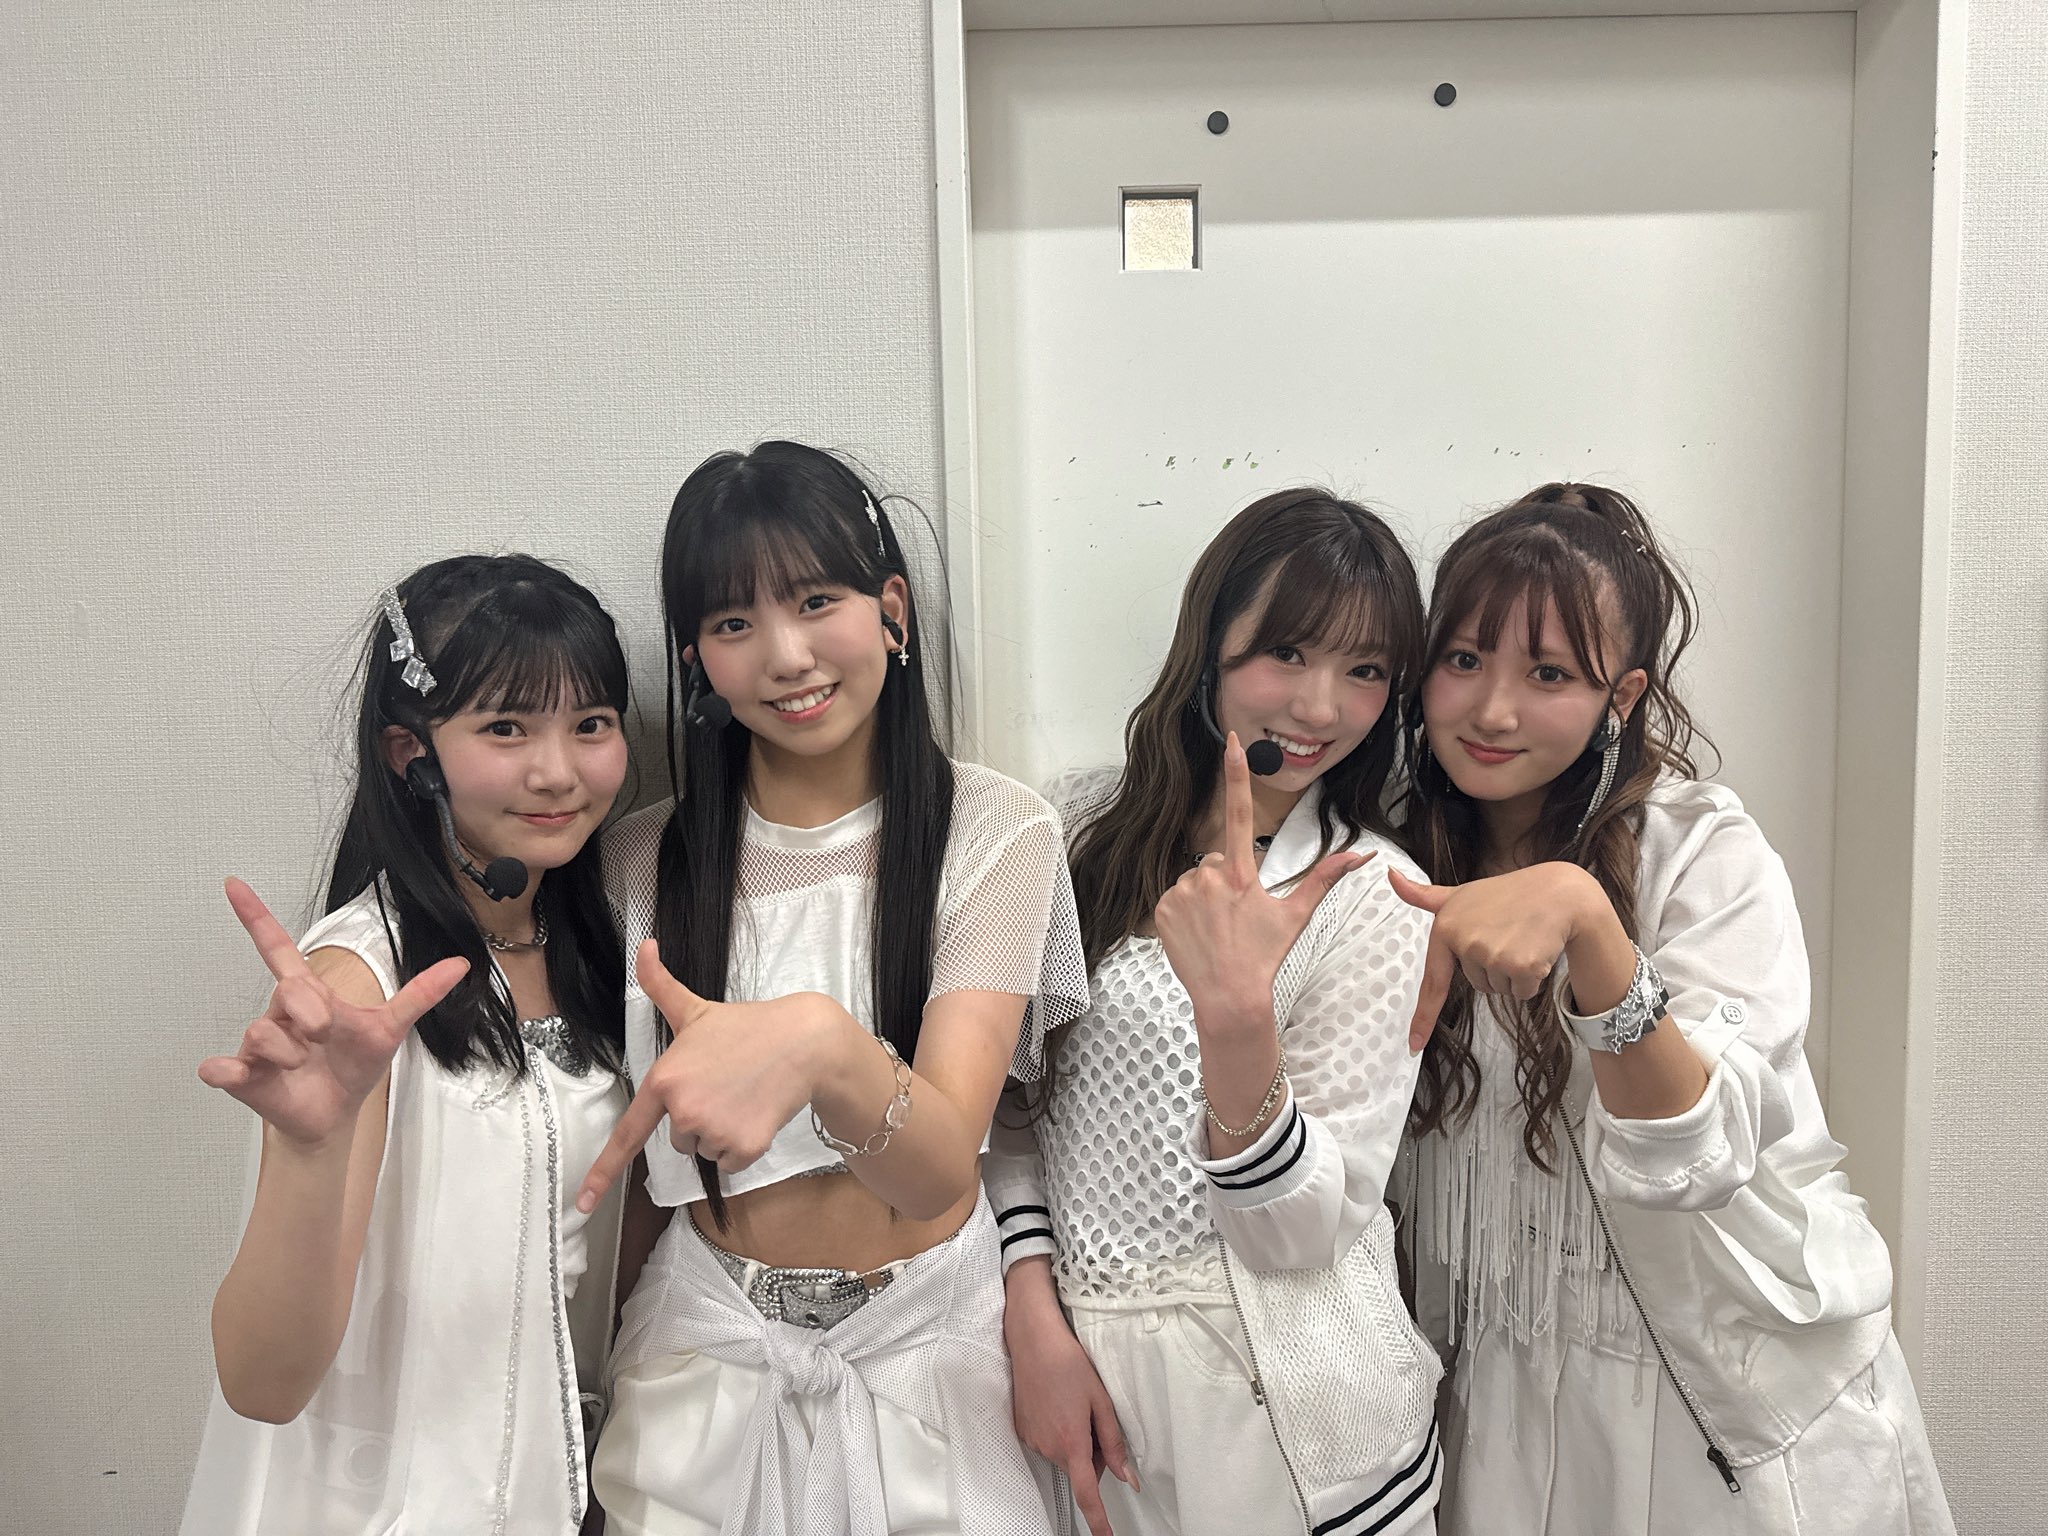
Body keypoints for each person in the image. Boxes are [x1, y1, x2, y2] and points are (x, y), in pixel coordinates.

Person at [1393, 482, 1955, 1535]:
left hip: (1715, 1390)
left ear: (1622, 695)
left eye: (1547, 673)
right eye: (1462, 659)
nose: (1492, 710)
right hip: (1497, 1394)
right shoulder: (1398, 856)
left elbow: (1694, 1157)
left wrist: (1587, 923)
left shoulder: (1699, 850)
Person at [579, 440, 1090, 1535]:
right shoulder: (639, 859)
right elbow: (637, 1177)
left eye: (817, 602)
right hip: (700, 1351)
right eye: (733, 624)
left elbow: (940, 1167)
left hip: (928, 1357)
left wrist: (818, 1044)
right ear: (696, 659)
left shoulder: (994, 833)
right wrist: (578, 1389)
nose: (786, 656)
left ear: (891, 610)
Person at [987, 489, 1445, 1536]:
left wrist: (1236, 1015)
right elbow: (1008, 1104)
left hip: (1299, 1424)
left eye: (1365, 670)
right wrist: (1031, 1314)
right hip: (1088, 1384)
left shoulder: (1375, 894)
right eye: (1286, 652)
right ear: (1209, 646)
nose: (1320, 707)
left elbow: (1302, 1234)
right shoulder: (1074, 827)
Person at [182, 554, 635, 1534]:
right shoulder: (358, 986)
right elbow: (261, 1383)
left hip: (558, 1484)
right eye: (506, 727)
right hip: (393, 1503)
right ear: (409, 752)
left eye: (591, 724)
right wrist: (311, 1150)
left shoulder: (592, 945)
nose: (558, 770)